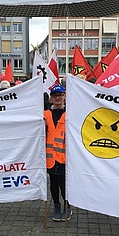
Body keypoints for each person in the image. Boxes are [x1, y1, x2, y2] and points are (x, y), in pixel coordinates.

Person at [44, 85, 72, 221]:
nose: (58, 98)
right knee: (53, 184)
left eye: (60, 95)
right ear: (51, 98)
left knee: (64, 184)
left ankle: (68, 205)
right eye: (55, 95)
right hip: (50, 158)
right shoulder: (45, 115)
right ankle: (56, 205)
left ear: (65, 97)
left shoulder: (71, 114)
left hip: (65, 158)